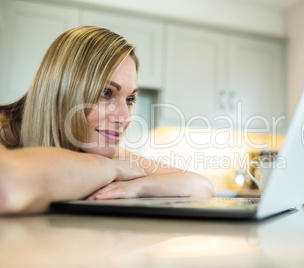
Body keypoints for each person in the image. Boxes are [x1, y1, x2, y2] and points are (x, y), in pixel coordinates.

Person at [0, 26, 214, 215]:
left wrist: (138, 187)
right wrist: (113, 169)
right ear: (64, 90)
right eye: (106, 93)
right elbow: (9, 184)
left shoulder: (92, 144)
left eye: (130, 99)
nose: (126, 117)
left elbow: (200, 186)